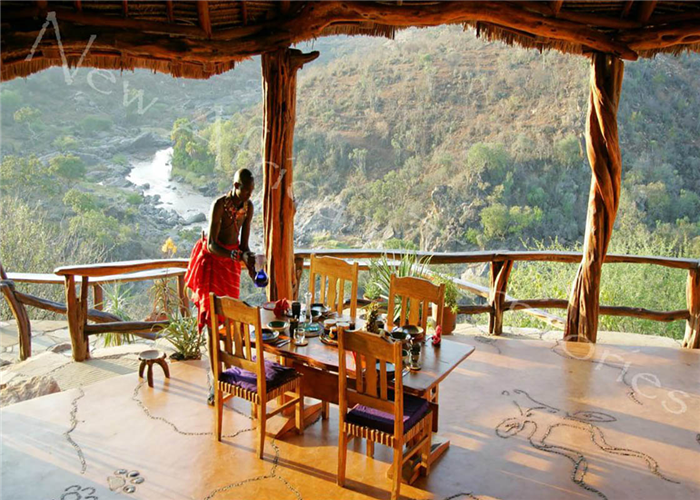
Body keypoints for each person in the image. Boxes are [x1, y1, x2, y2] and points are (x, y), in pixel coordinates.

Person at [184, 168, 257, 403]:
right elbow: (212, 244)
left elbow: (243, 245)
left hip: (230, 267)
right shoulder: (219, 205)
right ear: (235, 186)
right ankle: (216, 381)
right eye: (245, 191)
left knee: (230, 319)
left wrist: (249, 261)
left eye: (251, 192)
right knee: (212, 323)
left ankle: (229, 375)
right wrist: (234, 256)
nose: (248, 195)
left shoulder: (248, 207)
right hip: (214, 265)